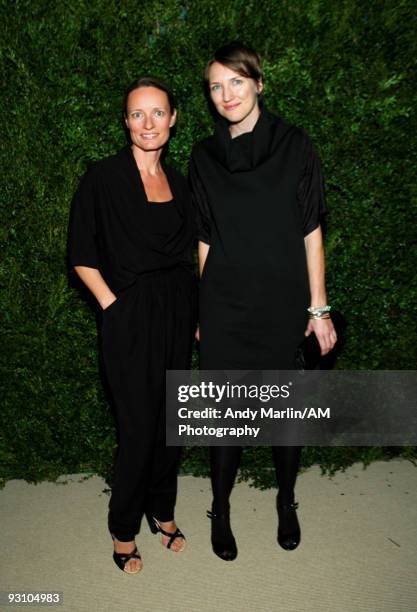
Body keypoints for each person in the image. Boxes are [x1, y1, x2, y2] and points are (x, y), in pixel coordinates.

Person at [189, 42, 337, 561]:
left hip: (282, 303)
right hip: (225, 305)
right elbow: (204, 236)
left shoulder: (297, 145)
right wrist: (203, 308)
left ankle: (286, 501)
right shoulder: (204, 157)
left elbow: (311, 229)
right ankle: (221, 509)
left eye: (236, 81)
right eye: (215, 85)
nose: (226, 94)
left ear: (258, 83)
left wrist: (318, 308)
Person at [68, 77, 197, 573]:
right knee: (139, 425)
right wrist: (111, 305)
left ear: (173, 118)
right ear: (125, 121)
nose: (148, 124)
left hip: (178, 310)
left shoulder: (181, 182)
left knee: (172, 421)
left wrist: (198, 315)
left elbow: (191, 258)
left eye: (158, 113)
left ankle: (161, 509)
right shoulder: (102, 177)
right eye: (138, 114)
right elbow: (81, 253)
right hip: (129, 312)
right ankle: (124, 527)